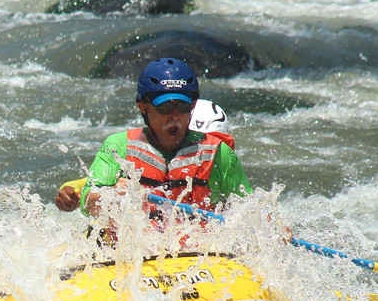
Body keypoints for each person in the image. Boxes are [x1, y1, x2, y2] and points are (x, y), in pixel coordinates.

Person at [78, 57, 252, 224]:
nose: (174, 116)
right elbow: (87, 202)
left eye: (183, 107)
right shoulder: (117, 146)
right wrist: (110, 195)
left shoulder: (220, 153)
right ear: (143, 108)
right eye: (164, 107)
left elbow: (250, 210)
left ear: (192, 107)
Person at [54, 98, 233, 211]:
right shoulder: (139, 161)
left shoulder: (224, 167)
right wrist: (70, 190)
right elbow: (90, 185)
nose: (203, 154)